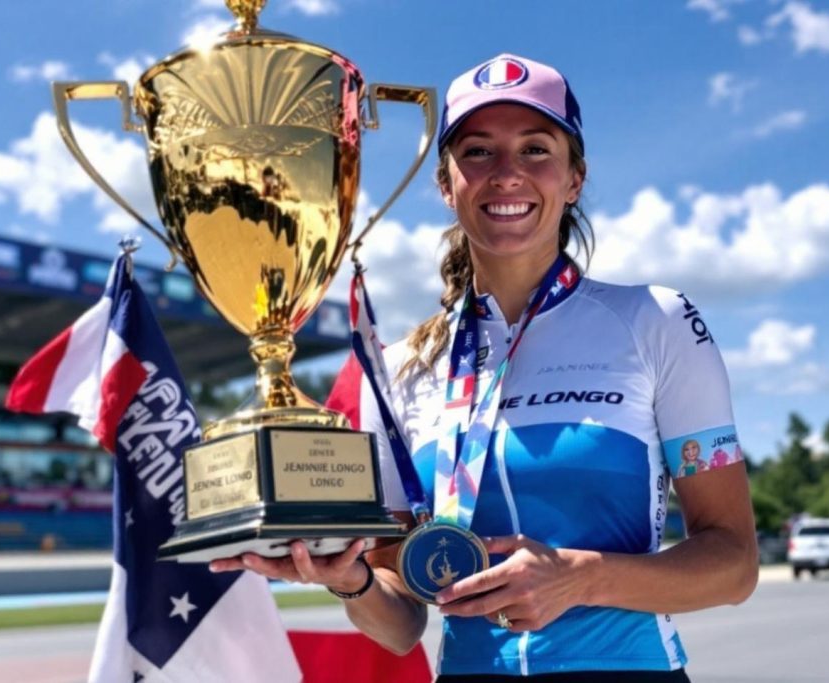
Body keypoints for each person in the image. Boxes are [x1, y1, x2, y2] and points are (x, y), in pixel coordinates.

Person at [210, 54, 758, 681]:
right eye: (477, 152)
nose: (506, 174)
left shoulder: (655, 322)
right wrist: (351, 580)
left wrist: (580, 579)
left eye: (535, 149)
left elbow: (735, 565)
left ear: (574, 178)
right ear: (446, 183)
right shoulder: (397, 372)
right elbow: (400, 624)